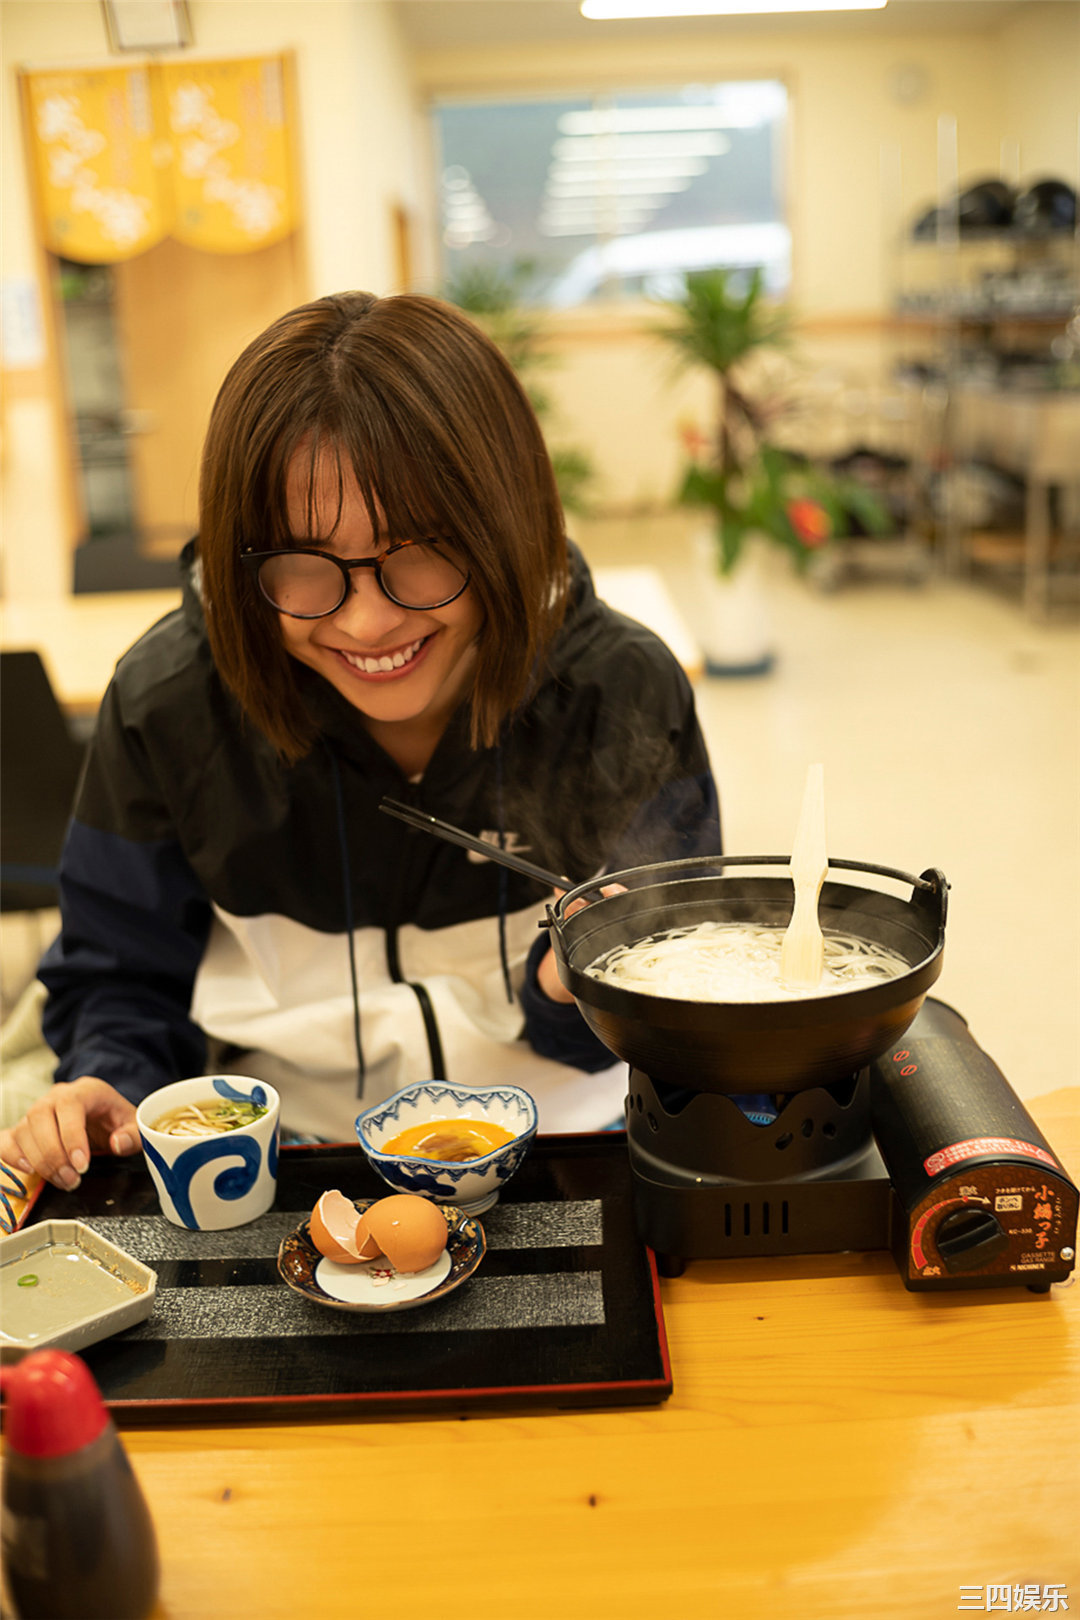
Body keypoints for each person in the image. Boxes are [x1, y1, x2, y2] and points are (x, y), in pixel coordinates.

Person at [0, 290, 721, 1192]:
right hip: (280, 1163)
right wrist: (115, 1078)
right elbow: (119, 976)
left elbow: (670, 1014)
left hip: (569, 1152)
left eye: (420, 552)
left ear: (507, 522)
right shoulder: (172, 706)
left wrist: (572, 990)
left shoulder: (618, 693)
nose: (369, 620)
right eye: (302, 565)